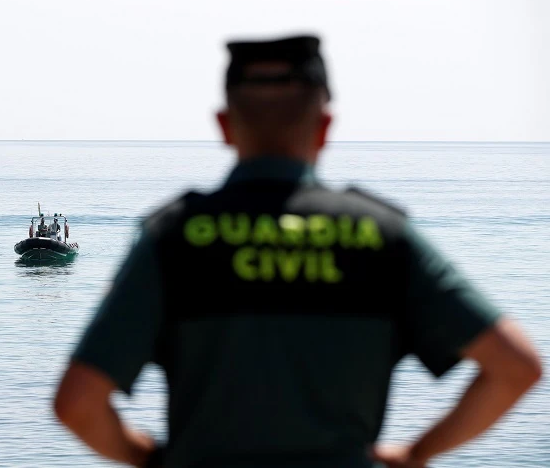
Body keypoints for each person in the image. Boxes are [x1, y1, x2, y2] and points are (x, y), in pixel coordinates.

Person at [53, 35, 541, 468]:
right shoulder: (381, 235)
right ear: (324, 127)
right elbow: (516, 367)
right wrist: (418, 453)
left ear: (224, 126)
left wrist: (146, 456)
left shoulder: (174, 237)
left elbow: (78, 404)